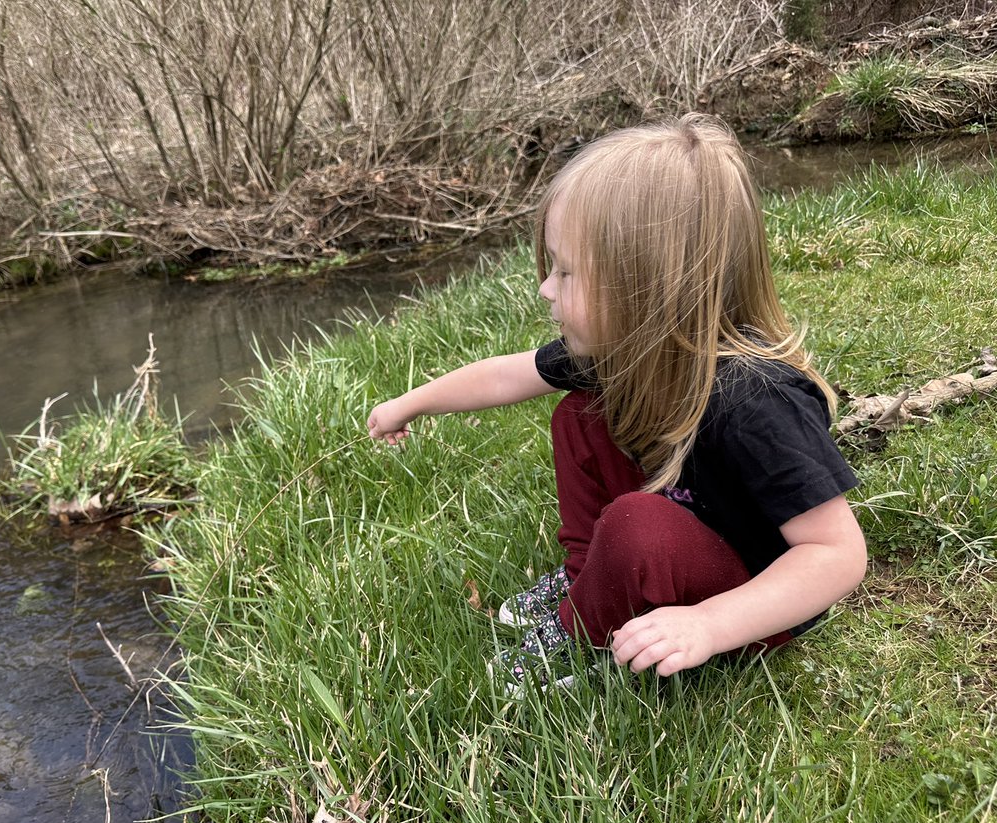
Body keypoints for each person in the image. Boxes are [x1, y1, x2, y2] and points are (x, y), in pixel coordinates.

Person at [366, 114, 868, 693]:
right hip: (678, 536)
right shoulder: (623, 347)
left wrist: (709, 624)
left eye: (567, 272)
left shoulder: (756, 398)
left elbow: (836, 554)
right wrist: (411, 402)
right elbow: (506, 376)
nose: (545, 289)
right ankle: (588, 583)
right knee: (580, 415)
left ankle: (582, 633)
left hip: (748, 596)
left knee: (638, 524)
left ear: (648, 285)